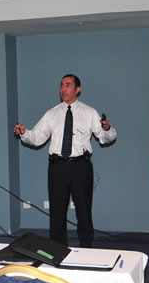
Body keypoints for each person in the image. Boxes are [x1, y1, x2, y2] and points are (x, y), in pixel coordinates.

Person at [14, 74, 117, 247]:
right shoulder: (52, 113)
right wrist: (25, 133)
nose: (63, 89)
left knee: (84, 212)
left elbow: (106, 138)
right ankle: (57, 250)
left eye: (68, 85)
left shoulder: (89, 112)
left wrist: (107, 128)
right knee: (57, 212)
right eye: (61, 85)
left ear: (78, 89)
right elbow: (38, 137)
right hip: (58, 167)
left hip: (80, 167)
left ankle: (86, 250)